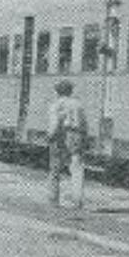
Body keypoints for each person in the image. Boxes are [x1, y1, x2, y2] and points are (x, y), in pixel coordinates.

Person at [46, 80, 89, 209]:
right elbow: (85, 124)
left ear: (57, 91)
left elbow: (55, 123)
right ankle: (78, 200)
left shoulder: (56, 104)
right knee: (77, 168)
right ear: (71, 91)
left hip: (61, 135)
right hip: (77, 135)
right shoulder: (78, 104)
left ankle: (54, 200)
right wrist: (84, 139)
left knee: (55, 168)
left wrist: (50, 136)